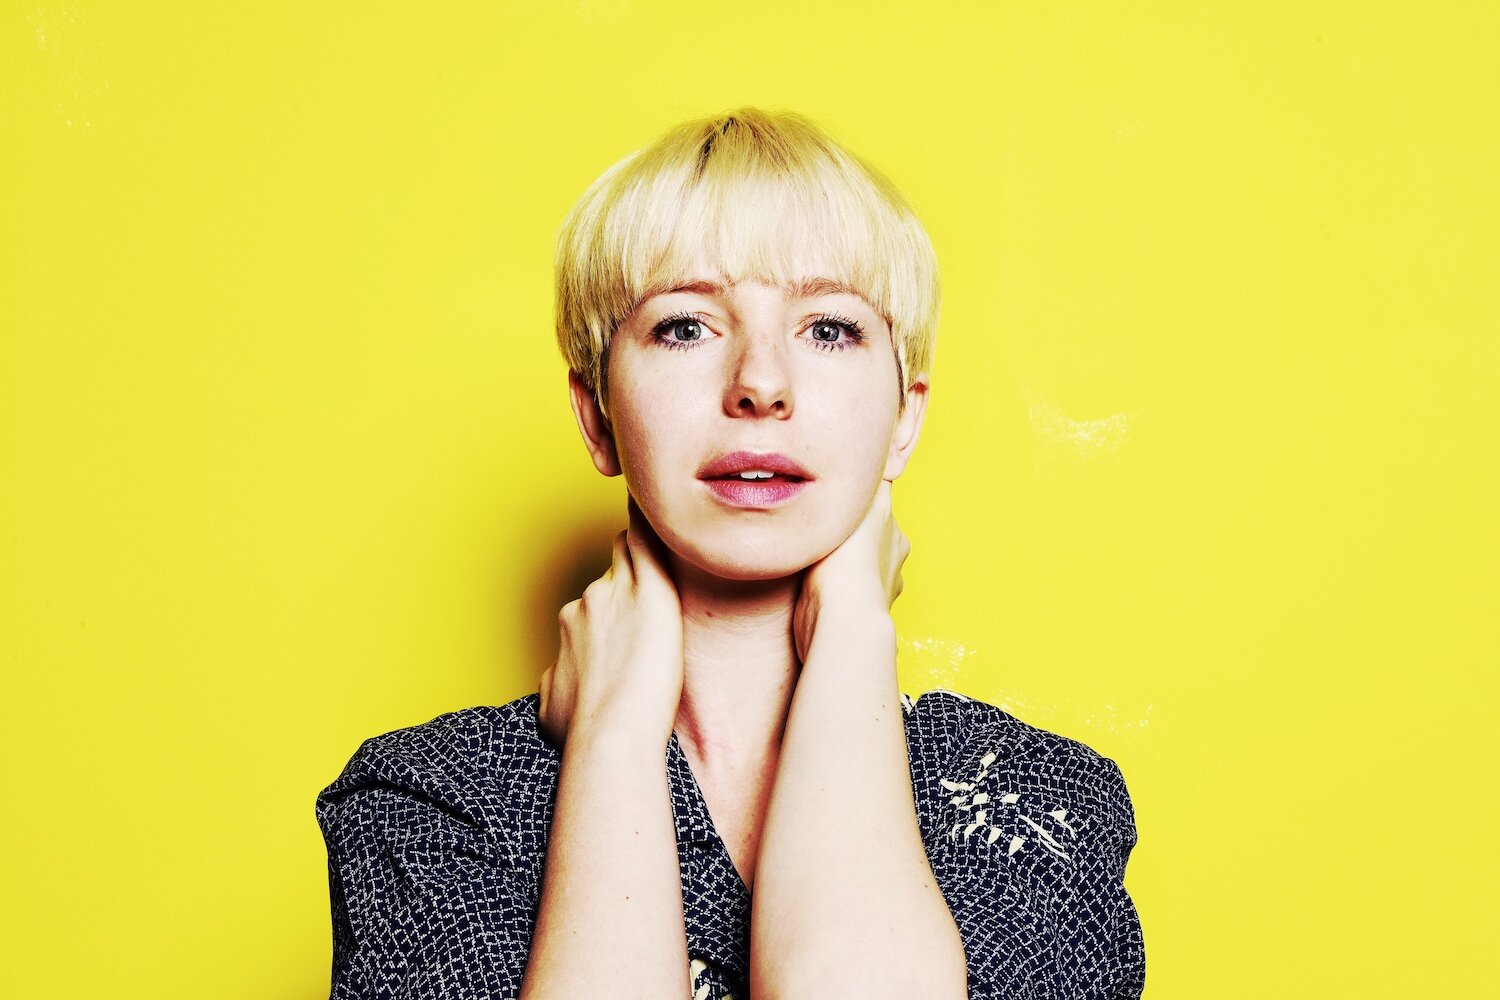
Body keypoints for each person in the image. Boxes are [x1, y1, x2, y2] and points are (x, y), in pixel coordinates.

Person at [315, 107, 1145, 1000]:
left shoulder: (1036, 798)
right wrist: (614, 737)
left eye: (828, 328)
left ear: (904, 417)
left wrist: (854, 635)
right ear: (598, 416)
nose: (760, 383)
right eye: (685, 327)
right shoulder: (432, 801)